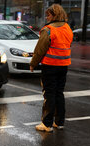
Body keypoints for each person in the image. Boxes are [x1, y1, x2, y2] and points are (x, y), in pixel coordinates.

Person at [30, 4, 73, 132]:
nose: (47, 17)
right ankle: (59, 122)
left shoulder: (48, 30)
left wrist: (33, 63)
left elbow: (40, 50)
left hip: (50, 66)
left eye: (48, 14)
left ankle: (46, 124)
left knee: (49, 94)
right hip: (63, 66)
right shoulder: (67, 28)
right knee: (59, 93)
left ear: (55, 15)